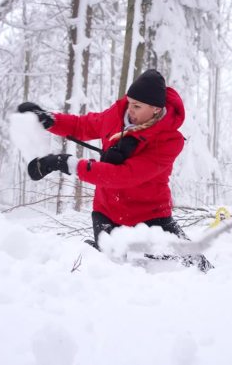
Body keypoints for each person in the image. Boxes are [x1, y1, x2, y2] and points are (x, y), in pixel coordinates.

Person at [18, 69, 212, 271]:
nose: (130, 111)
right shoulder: (116, 115)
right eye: (129, 103)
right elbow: (82, 125)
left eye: (137, 106)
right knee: (115, 271)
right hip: (108, 214)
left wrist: (66, 163)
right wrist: (51, 120)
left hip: (152, 218)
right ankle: (100, 250)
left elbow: (124, 176)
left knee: (197, 267)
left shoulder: (169, 141)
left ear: (156, 109)